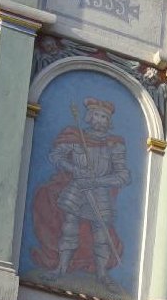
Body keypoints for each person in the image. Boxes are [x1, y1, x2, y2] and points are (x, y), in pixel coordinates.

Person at [31, 98, 131, 281]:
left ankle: (102, 275)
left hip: (99, 191)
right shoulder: (76, 138)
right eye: (97, 115)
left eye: (104, 117)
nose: (100, 120)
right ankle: (61, 268)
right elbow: (56, 156)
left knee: (101, 233)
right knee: (69, 229)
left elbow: (124, 175)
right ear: (89, 117)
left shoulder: (114, 145)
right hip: (77, 187)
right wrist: (73, 169)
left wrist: (99, 180)